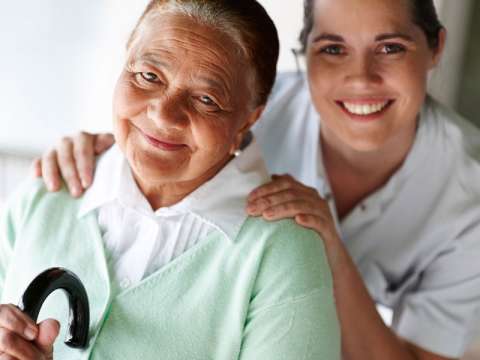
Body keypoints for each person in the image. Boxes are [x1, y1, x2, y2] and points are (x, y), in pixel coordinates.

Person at [38, 0, 480, 359]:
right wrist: (107, 152)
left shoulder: (470, 196)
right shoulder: (240, 110)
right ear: (305, 55)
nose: (360, 78)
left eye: (391, 48)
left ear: (437, 48)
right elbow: (159, 117)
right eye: (332, 48)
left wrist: (328, 248)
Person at [0, 1, 341, 359]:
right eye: (148, 76)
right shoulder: (47, 190)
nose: (164, 114)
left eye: (206, 99)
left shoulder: (280, 251)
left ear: (249, 120)